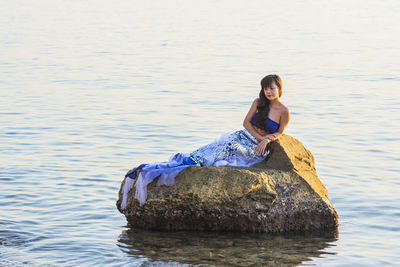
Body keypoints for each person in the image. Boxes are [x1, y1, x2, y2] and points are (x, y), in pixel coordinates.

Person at [120, 74, 290, 209]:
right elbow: (245, 123)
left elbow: (280, 133)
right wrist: (262, 138)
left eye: (272, 88)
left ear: (279, 88)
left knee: (229, 148)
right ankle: (185, 161)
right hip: (243, 135)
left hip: (253, 147)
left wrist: (265, 141)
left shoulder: (284, 111)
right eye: (266, 88)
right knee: (212, 148)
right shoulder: (258, 102)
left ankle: (194, 162)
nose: (268, 92)